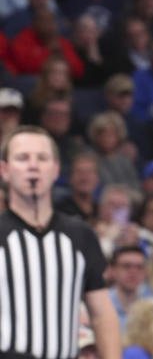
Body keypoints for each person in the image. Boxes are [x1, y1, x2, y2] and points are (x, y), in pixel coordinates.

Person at [0, 125, 121, 359]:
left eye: (42, 158)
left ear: (56, 170)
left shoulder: (80, 235)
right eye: (23, 158)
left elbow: (102, 314)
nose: (33, 165)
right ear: (4, 170)